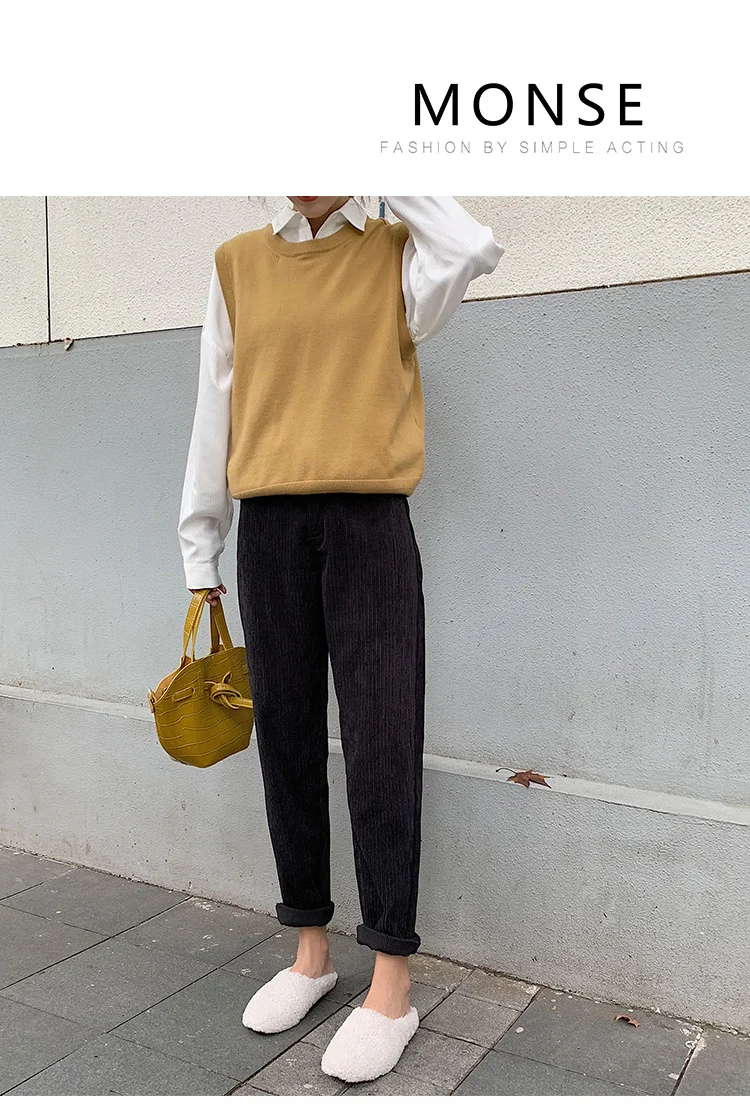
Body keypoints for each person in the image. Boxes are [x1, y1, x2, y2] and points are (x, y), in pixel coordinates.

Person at [178, 195, 504, 1082]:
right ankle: (311, 951)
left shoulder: (398, 249)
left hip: (370, 524)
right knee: (286, 738)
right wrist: (201, 543)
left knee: (382, 738)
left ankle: (391, 978)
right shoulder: (239, 262)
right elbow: (217, 401)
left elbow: (472, 246)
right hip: (269, 528)